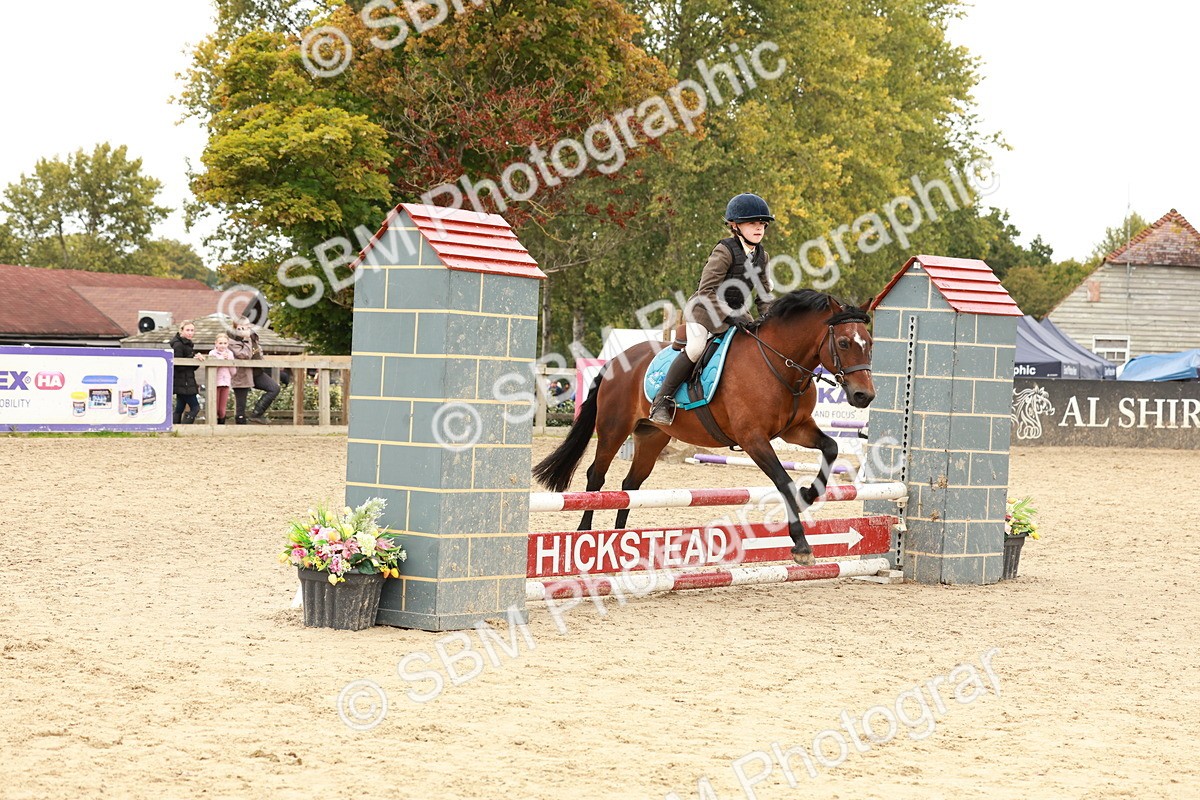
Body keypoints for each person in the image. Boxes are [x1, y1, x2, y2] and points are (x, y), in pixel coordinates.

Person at [648, 193, 776, 424]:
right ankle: (662, 400)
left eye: (762, 224)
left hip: (738, 312)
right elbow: (706, 291)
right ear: (735, 226)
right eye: (752, 223)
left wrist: (771, 318)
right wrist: (729, 315)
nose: (758, 229)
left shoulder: (762, 256)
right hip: (704, 310)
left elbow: (764, 294)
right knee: (696, 348)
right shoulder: (724, 251)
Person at [229, 317, 280, 424]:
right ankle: (240, 427)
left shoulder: (253, 336)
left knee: (274, 388)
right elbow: (244, 355)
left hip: (257, 372)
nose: (245, 329)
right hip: (241, 374)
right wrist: (246, 340)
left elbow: (258, 351)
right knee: (241, 406)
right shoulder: (232, 341)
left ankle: (257, 414)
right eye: (241, 327)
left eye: (247, 326)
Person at [170, 321, 205, 425]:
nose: (190, 333)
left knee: (179, 408)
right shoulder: (178, 345)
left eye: (192, 330)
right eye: (187, 330)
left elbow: (190, 367)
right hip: (183, 382)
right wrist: (192, 358)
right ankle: (186, 426)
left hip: (186, 380)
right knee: (195, 407)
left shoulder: (187, 344)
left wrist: (195, 361)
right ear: (181, 330)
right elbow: (179, 365)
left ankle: (175, 427)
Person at [207, 333, 237, 425]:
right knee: (214, 407)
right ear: (216, 343)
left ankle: (221, 425)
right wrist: (221, 359)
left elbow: (233, 371)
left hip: (226, 383)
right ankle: (213, 425)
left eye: (225, 343)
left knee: (222, 409)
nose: (222, 345)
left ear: (228, 344)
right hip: (215, 383)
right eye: (220, 343)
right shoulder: (212, 353)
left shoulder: (230, 354)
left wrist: (229, 361)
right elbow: (212, 368)